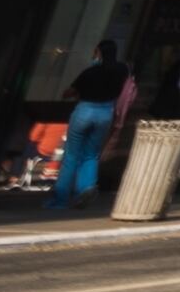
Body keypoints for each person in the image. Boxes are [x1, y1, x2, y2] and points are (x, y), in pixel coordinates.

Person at [54, 39, 131, 207]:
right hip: (105, 113)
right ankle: (86, 187)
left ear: (99, 53)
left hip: (85, 110)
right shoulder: (121, 70)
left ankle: (60, 199)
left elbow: (69, 92)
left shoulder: (90, 72)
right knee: (91, 154)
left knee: (72, 155)